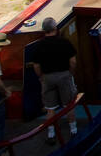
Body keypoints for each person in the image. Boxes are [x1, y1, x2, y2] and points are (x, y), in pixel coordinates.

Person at [28, 17, 79, 145]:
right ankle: (73, 130)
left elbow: (36, 66)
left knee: (50, 108)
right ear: (55, 29)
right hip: (64, 76)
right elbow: (73, 61)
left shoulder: (39, 45)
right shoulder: (64, 42)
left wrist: (41, 77)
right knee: (69, 104)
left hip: (47, 78)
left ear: (44, 30)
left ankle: (51, 134)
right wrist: (70, 73)